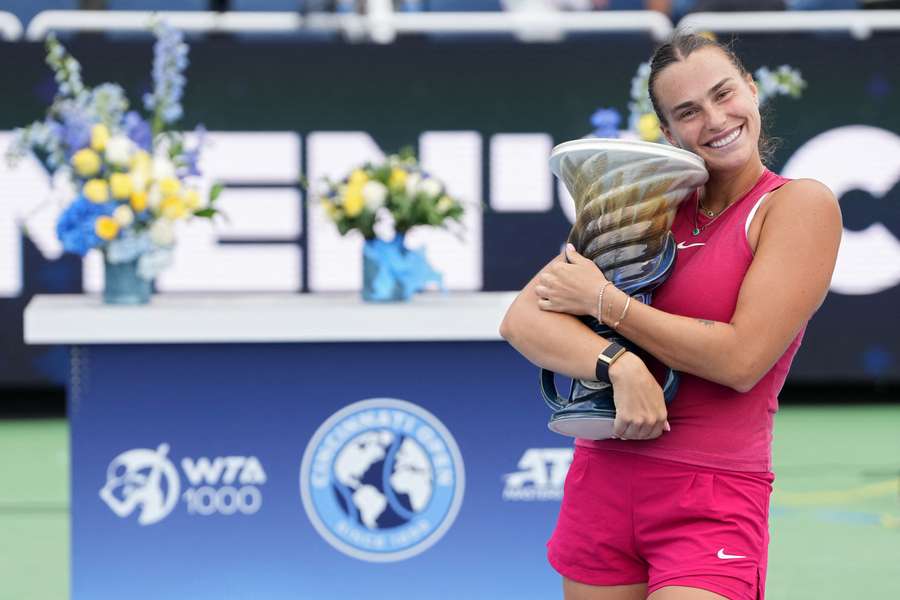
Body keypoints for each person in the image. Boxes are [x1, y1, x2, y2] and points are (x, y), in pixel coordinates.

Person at [499, 32, 842, 600]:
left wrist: (608, 304)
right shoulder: (646, 202)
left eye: (723, 94)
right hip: (603, 482)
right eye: (688, 111)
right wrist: (619, 365)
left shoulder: (796, 206)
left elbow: (740, 359)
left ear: (752, 92)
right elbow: (522, 320)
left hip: (712, 497)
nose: (714, 118)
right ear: (669, 133)